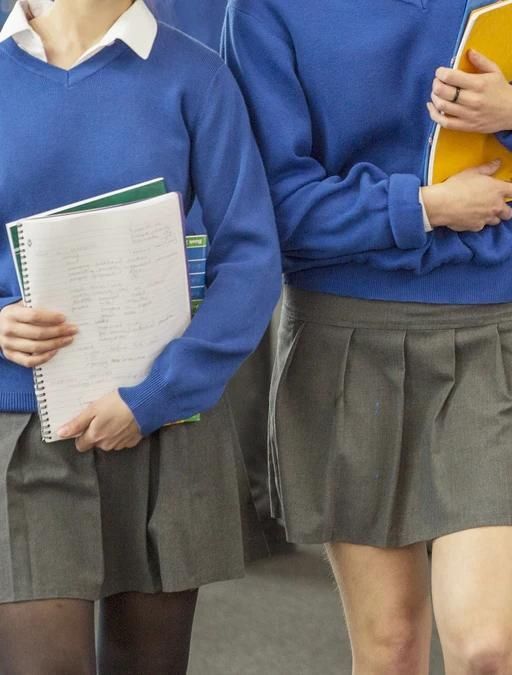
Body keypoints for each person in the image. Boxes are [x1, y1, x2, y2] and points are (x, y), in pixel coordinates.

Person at [222, 1, 512, 673]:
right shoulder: (265, 11)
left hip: (486, 329)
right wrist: (422, 206)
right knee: (390, 647)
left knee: (487, 647)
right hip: (344, 338)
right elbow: (273, 203)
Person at [0, 0, 281, 673]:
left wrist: (159, 392)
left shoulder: (195, 77)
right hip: (21, 427)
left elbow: (252, 258)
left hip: (161, 424)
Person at [144, 0, 288, 555]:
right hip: (196, 98)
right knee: (234, 319)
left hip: (199, 93)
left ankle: (250, 504)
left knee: (234, 305)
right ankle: (252, 505)